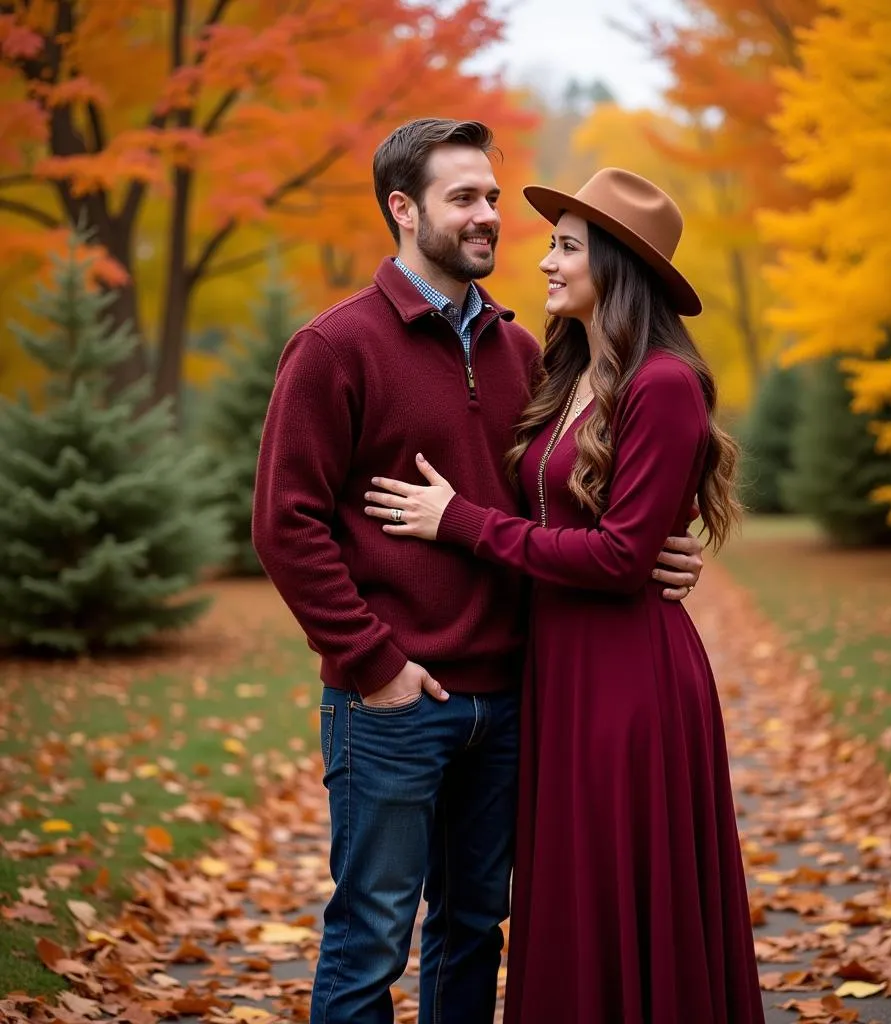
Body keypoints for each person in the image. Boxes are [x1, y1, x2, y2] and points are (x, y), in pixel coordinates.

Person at [251, 121, 704, 1024]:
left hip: (507, 699)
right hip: (394, 702)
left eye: (492, 198)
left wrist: (659, 547)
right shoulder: (336, 345)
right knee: (372, 934)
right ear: (403, 208)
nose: (489, 216)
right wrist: (372, 664)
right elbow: (284, 525)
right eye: (465, 198)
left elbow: (563, 503)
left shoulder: (522, 353)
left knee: (472, 930)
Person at [363, 167, 766, 1024]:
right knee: (571, 893)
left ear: (617, 265)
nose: (543, 259)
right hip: (556, 670)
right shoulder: (566, 368)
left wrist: (458, 523)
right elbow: (574, 518)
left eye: (567, 247)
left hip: (630, 683)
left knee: (621, 885)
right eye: (550, 242)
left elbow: (621, 556)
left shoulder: (663, 384)